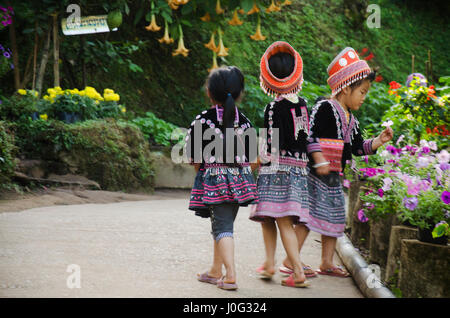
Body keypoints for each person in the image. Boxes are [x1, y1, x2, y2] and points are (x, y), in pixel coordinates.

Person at [281, 47, 394, 277]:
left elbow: (358, 148)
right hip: (315, 174)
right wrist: (319, 158)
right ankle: (289, 259)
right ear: (345, 87)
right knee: (308, 217)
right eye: (361, 92)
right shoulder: (325, 108)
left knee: (335, 219)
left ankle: (326, 262)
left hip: (334, 177)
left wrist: (379, 141)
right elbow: (309, 136)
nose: (364, 97)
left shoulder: (352, 119)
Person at [185, 66, 258, 290]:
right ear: (240, 94)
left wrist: (208, 172)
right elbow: (254, 159)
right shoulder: (245, 122)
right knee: (222, 224)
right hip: (241, 182)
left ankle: (231, 275)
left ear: (209, 92)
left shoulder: (203, 121)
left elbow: (194, 158)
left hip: (215, 181)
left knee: (222, 227)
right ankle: (215, 270)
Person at [249, 41, 311, 288]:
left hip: (277, 171)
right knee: (269, 217)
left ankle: (297, 271)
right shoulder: (303, 104)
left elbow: (271, 147)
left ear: (269, 77)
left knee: (280, 220)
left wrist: (252, 164)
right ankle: (269, 263)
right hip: (298, 171)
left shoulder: (273, 108)